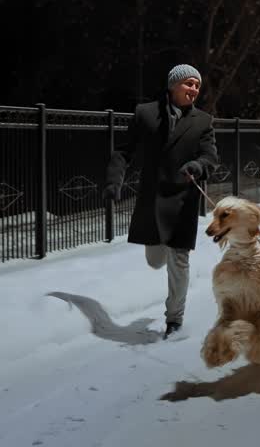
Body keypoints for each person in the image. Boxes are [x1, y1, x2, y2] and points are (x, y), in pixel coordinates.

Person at [104, 64, 220, 338]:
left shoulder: (203, 121)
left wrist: (197, 166)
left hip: (183, 199)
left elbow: (210, 157)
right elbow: (123, 152)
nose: (194, 89)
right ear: (173, 84)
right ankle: (161, 251)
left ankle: (174, 320)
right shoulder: (145, 113)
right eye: (189, 83)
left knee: (179, 259)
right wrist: (113, 181)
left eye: (197, 85)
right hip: (152, 199)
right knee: (155, 260)